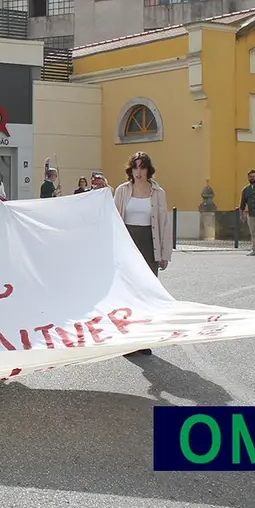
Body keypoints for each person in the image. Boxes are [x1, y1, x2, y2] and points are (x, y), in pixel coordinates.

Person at [113, 151, 172, 356]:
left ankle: (143, 339)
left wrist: (165, 254)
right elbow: (112, 220)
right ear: (130, 170)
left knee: (145, 294)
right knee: (128, 293)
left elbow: (164, 224)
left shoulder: (158, 192)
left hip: (149, 243)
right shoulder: (122, 190)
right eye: (135, 167)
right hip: (127, 244)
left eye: (142, 167)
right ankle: (127, 340)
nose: (138, 172)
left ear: (148, 170)